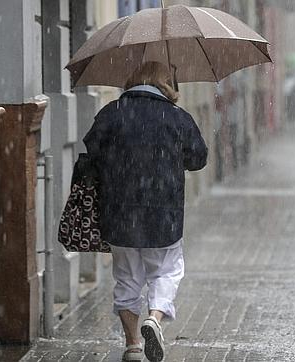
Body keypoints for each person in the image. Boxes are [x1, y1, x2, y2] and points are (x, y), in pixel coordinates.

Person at [84, 61, 208, 361]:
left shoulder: (111, 113)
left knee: (127, 278)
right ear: (166, 83)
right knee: (167, 271)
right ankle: (155, 317)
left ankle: (132, 346)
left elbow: (92, 152)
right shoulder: (177, 117)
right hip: (163, 215)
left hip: (120, 213)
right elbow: (198, 159)